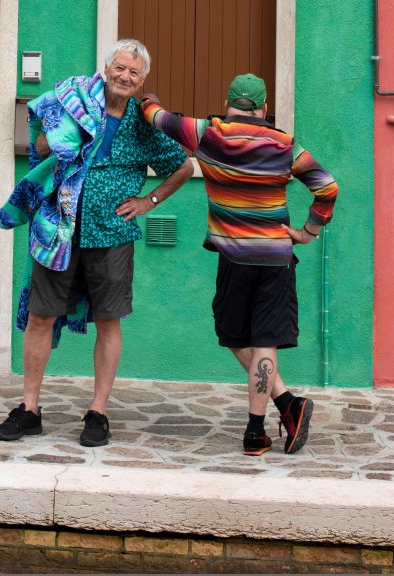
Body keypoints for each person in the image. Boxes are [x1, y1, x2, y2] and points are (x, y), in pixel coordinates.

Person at [0, 39, 194, 447]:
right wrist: (62, 136)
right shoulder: (75, 103)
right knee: (41, 316)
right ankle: (29, 409)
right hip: (59, 229)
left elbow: (184, 166)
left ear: (142, 81)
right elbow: (42, 145)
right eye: (120, 68)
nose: (125, 76)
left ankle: (97, 412)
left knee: (108, 318)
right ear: (106, 69)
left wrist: (148, 201)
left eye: (134, 73)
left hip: (111, 233)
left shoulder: (143, 122)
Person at [140, 73, 338, 457]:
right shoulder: (285, 144)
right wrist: (309, 231)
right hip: (275, 258)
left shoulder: (207, 134)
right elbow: (327, 186)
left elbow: (156, 116)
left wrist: (147, 98)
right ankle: (266, 423)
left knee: (234, 334)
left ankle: (271, 419)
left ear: (228, 101)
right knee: (262, 339)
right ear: (264, 108)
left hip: (233, 256)